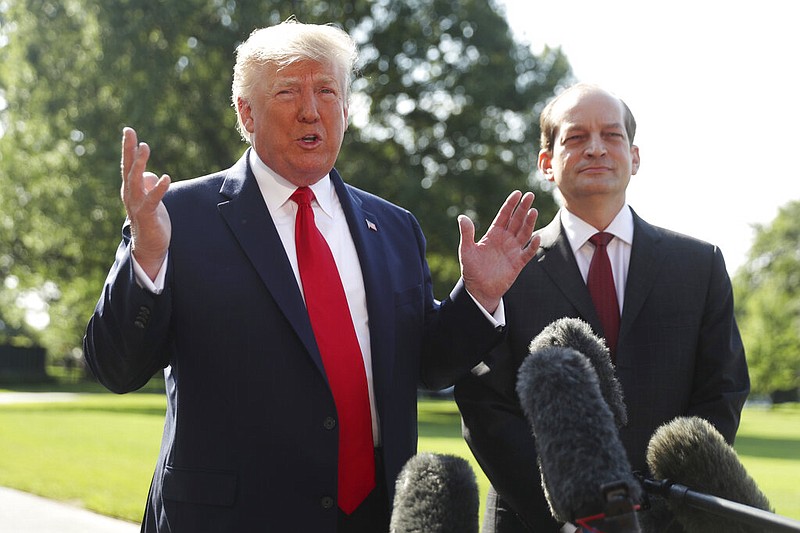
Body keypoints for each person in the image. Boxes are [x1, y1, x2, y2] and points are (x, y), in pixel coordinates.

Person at [83, 19, 540, 533]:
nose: (310, 110)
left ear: (346, 109)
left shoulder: (393, 228)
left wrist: (476, 298)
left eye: (327, 91)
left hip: (372, 516)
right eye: (287, 92)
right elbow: (117, 368)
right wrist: (145, 255)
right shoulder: (177, 217)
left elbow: (427, 367)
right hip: (230, 518)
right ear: (246, 112)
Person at [454, 83, 750, 532]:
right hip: (536, 521)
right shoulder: (503, 267)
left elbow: (722, 393)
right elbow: (485, 407)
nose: (595, 149)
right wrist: (577, 517)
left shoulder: (699, 264)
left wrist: (662, 510)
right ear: (547, 163)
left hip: (666, 522)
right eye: (575, 138)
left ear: (634, 157)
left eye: (611, 136)